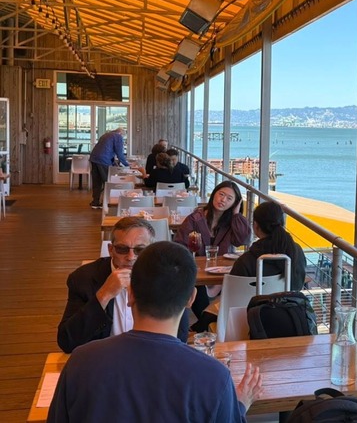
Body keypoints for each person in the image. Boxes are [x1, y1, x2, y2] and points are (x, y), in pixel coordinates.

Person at [47, 242, 264, 422]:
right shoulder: (214, 378)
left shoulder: (80, 361)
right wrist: (239, 407)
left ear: (130, 294)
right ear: (191, 300)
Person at [56, 217, 189, 353]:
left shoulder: (164, 277)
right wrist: (104, 295)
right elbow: (67, 341)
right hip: (102, 360)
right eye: (122, 249)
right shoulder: (84, 278)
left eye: (139, 250)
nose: (131, 257)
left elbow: (180, 335)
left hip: (150, 357)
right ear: (110, 250)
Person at [192, 201, 307, 332]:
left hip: (245, 320)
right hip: (284, 316)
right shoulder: (295, 252)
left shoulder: (248, 260)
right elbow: (297, 284)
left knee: (208, 311)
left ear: (256, 226)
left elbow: (231, 296)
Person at [174, 181, 250, 320]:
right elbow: (180, 245)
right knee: (195, 285)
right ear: (214, 193)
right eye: (221, 194)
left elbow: (242, 240)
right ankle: (207, 323)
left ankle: (206, 324)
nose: (223, 200)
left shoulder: (231, 222)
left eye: (229, 198)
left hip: (222, 272)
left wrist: (236, 215)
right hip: (198, 271)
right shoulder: (195, 218)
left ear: (234, 203)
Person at [231, 201, 307, 291]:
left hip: (253, 305)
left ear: (255, 225)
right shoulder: (296, 251)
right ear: (281, 223)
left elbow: (232, 293)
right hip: (290, 303)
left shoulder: (245, 261)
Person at [89, 127, 129, 209]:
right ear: (121, 133)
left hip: (94, 158)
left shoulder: (106, 135)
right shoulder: (118, 137)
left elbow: (106, 149)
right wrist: (127, 165)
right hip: (103, 160)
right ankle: (108, 202)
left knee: (97, 181)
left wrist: (114, 162)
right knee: (107, 181)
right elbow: (119, 153)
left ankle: (95, 202)